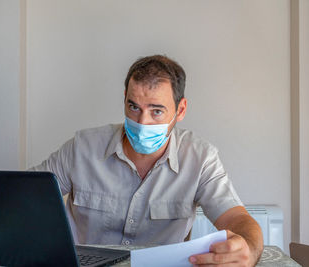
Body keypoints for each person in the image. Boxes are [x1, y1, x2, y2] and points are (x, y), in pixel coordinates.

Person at [29, 55, 263, 266]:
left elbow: (237, 218)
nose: (142, 122)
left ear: (180, 110)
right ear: (124, 100)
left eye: (157, 111)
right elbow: (26, 195)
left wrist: (249, 250)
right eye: (134, 107)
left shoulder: (200, 158)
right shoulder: (82, 148)